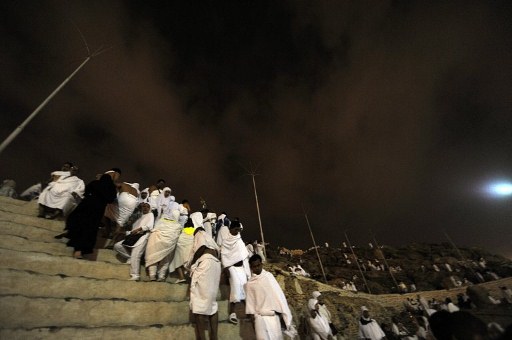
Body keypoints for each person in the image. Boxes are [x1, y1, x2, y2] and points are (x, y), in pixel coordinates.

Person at [66, 168, 120, 259]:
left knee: (80, 225)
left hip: (85, 206)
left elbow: (86, 191)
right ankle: (80, 251)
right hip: (97, 210)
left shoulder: (95, 183)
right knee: (89, 230)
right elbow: (111, 199)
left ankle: (76, 247)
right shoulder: (111, 188)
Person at [245, 254, 296, 340]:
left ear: (261, 264)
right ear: (251, 267)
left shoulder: (269, 277)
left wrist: (285, 315)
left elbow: (279, 295)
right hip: (259, 318)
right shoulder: (249, 284)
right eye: (254, 266)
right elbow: (250, 304)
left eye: (258, 265)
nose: (257, 268)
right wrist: (253, 320)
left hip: (273, 317)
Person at [188, 226, 221, 340]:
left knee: (198, 303)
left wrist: (192, 263)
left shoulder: (199, 234)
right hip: (216, 265)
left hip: (206, 263)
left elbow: (200, 247)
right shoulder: (210, 238)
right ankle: (214, 337)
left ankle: (202, 338)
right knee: (212, 303)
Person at [113, 201, 154, 281]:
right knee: (117, 246)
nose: (145, 208)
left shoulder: (150, 215)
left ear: (150, 208)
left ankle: (135, 275)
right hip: (134, 237)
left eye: (147, 206)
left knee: (136, 254)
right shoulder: (140, 217)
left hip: (143, 237)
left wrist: (139, 229)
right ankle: (129, 257)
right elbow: (132, 230)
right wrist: (123, 232)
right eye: (144, 206)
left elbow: (149, 226)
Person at [220, 219, 250, 324]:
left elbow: (243, 255)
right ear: (231, 229)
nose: (237, 232)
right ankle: (232, 313)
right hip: (231, 267)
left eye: (238, 230)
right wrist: (226, 268)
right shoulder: (226, 240)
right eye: (235, 229)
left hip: (241, 267)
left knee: (245, 288)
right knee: (235, 287)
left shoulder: (239, 239)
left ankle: (249, 312)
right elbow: (224, 255)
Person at [144, 197, 181, 281]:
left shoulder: (161, 220)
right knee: (165, 260)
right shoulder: (178, 226)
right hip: (168, 245)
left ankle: (152, 275)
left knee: (153, 257)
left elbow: (154, 230)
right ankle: (161, 276)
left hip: (156, 243)